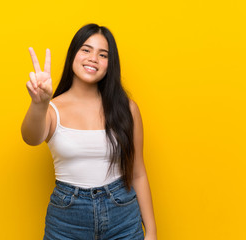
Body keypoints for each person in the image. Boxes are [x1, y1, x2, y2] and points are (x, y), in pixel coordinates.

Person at [21, 23, 157, 240]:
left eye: (103, 54)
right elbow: (30, 138)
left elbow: (138, 172)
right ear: (73, 54)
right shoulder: (52, 109)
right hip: (66, 220)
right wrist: (39, 103)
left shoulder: (127, 108)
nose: (93, 58)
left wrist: (151, 232)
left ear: (109, 65)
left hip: (122, 215)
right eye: (86, 49)